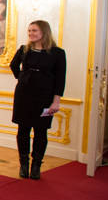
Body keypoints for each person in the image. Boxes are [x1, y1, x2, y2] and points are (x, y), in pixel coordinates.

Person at [9, 20, 66, 179]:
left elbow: (60, 79)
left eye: (34, 30)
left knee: (41, 131)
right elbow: (13, 65)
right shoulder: (24, 50)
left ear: (44, 32)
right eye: (29, 31)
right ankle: (24, 164)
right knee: (23, 130)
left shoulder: (57, 53)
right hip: (24, 95)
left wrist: (56, 101)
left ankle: (36, 165)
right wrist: (22, 77)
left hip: (45, 97)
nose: (31, 33)